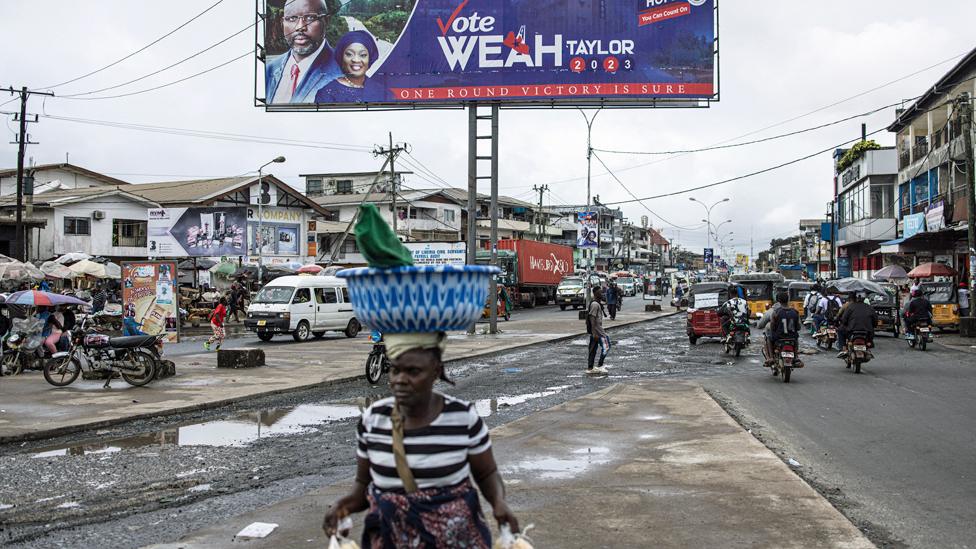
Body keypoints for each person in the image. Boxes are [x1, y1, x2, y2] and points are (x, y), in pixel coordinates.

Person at [322, 203, 519, 547]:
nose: (399, 379)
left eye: (413, 371)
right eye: (396, 369)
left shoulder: (463, 419)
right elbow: (363, 487)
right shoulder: (373, 421)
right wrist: (342, 506)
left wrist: (499, 502)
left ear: (436, 371)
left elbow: (486, 473)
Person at [265, 0, 341, 104]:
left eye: (310, 18)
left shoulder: (343, 72)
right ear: (282, 23)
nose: (300, 27)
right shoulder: (269, 69)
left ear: (326, 21)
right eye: (292, 18)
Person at [314, 30, 379, 103]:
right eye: (349, 54)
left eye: (363, 55)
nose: (356, 60)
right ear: (341, 57)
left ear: (370, 58)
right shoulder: (326, 94)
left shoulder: (380, 89)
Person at [837, 293, 878, 359]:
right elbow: (875, 321)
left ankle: (843, 348)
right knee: (870, 338)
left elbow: (844, 320)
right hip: (867, 332)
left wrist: (845, 323)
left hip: (851, 330)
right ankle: (868, 349)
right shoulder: (870, 308)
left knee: (840, 330)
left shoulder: (850, 307)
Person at [587, 287, 610, 373]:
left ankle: (591, 367)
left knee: (593, 349)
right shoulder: (595, 304)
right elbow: (591, 318)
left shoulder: (597, 303)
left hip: (597, 330)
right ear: (596, 293)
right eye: (600, 293)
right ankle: (599, 365)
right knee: (607, 347)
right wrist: (594, 333)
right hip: (597, 331)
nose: (602, 294)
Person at [758, 293, 785, 366]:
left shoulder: (772, 311)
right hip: (791, 336)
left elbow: (760, 325)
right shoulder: (793, 311)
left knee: (768, 338)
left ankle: (770, 358)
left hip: (777, 337)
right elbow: (798, 327)